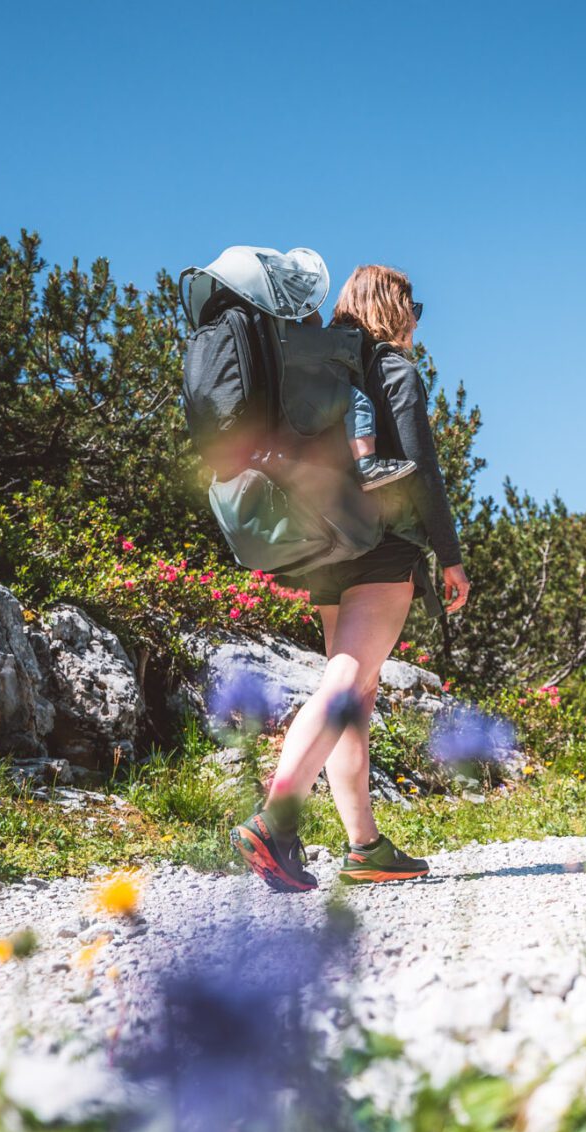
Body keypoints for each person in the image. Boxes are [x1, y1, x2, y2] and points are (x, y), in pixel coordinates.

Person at [231, 264, 471, 891]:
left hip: (326, 546)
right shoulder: (392, 368)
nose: (419, 314)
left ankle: (364, 844)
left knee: (355, 698)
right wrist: (449, 555)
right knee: (347, 680)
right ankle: (275, 818)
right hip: (384, 547)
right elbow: (420, 469)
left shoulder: (326, 373)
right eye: (413, 302)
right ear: (394, 306)